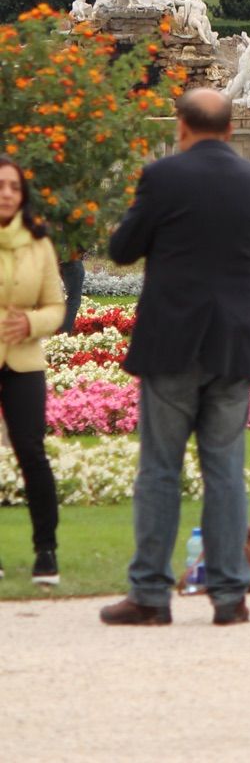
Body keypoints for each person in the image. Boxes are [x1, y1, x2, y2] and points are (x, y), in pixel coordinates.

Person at [99, 88, 250, 627]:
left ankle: (151, 594)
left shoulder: (162, 178)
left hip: (171, 343)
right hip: (233, 343)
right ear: (230, 129)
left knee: (159, 469)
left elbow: (122, 250)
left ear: (181, 125)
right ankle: (230, 596)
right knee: (224, 470)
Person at [0, 157, 65, 586]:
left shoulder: (39, 244)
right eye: (0, 185)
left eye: (13, 187)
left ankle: (46, 551)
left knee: (32, 453)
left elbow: (56, 307)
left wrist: (31, 324)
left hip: (23, 362)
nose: (6, 193)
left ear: (22, 196)